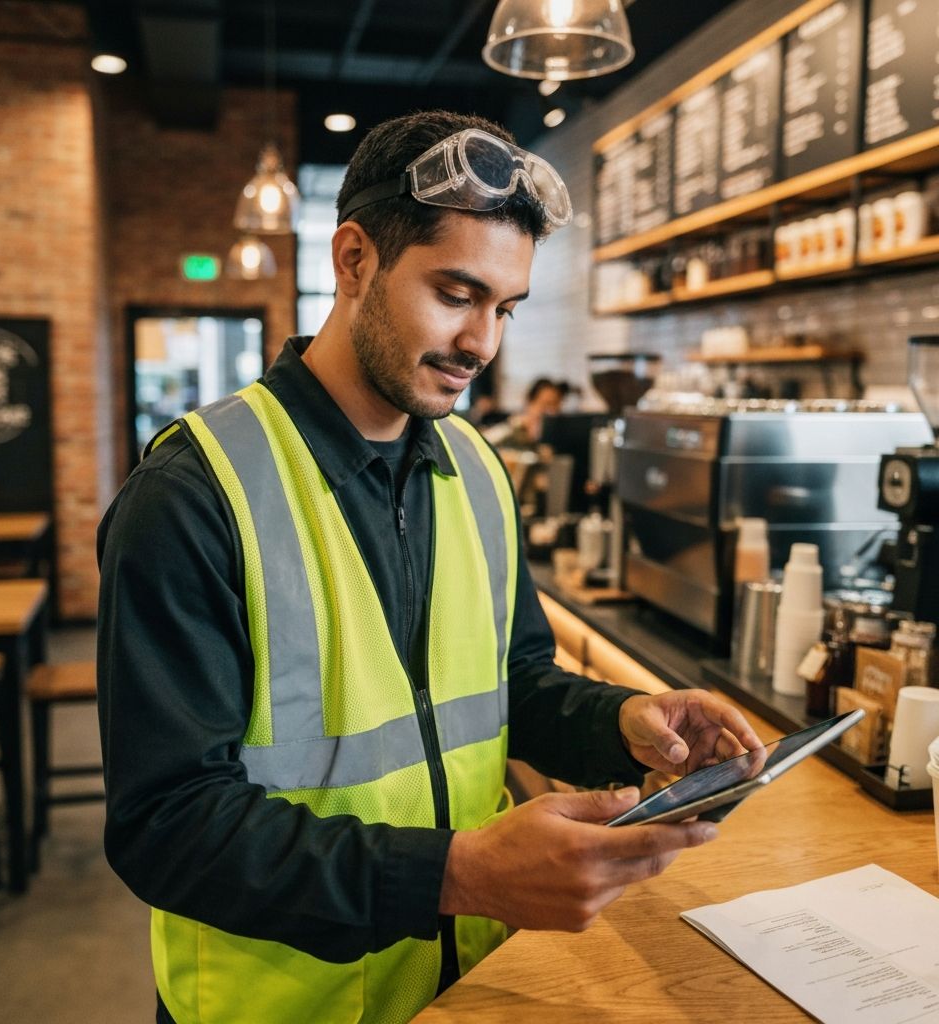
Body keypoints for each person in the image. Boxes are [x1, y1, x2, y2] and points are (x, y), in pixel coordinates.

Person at [96, 110, 762, 1024]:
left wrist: (626, 722)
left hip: (468, 988)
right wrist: (458, 874)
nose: (483, 343)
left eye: (506, 308)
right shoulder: (192, 493)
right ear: (354, 259)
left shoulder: (475, 468)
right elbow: (166, 826)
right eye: (456, 294)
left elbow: (514, 683)